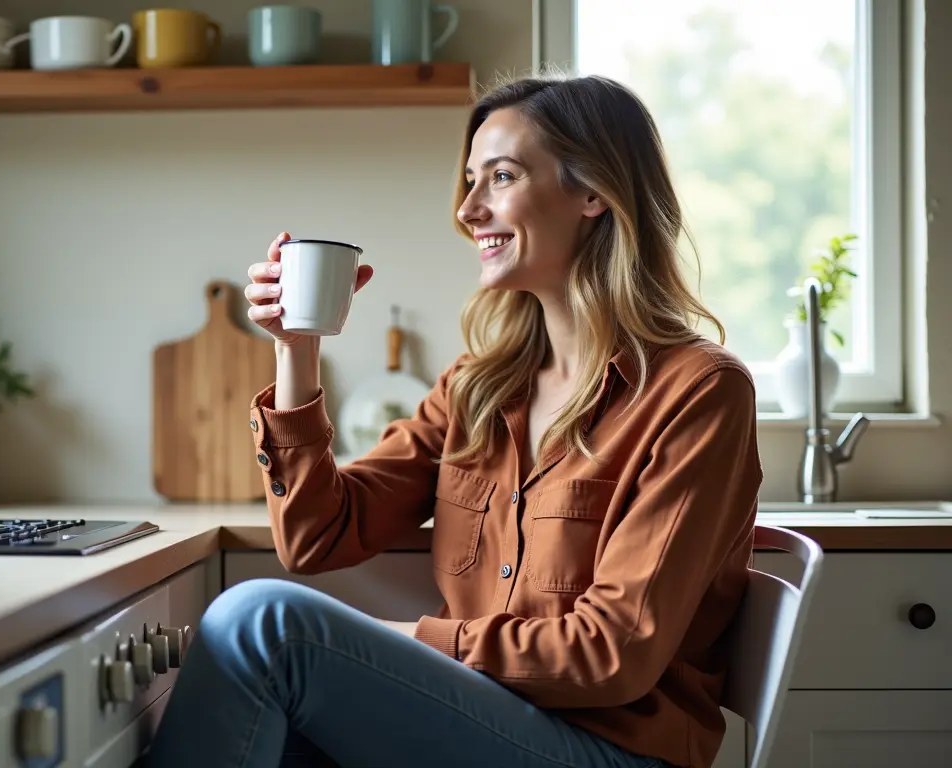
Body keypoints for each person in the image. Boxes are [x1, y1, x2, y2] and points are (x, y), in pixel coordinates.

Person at [143, 73, 762, 768]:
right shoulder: (479, 386)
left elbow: (611, 656)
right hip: (484, 721)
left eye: (500, 177)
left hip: (611, 750)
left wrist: (408, 639)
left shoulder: (699, 393)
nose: (468, 209)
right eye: (470, 181)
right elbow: (318, 535)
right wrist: (297, 350)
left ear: (594, 194)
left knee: (262, 624)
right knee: (280, 725)